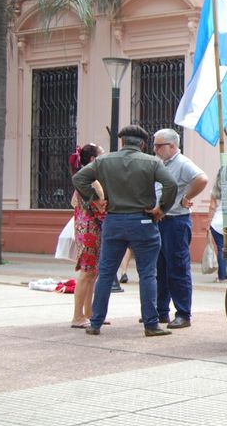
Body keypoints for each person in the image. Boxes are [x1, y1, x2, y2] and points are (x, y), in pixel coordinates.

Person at [72, 125, 178, 337]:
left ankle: (95, 323)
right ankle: (151, 324)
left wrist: (96, 200)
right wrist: (161, 209)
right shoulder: (152, 162)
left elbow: (79, 179)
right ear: (141, 144)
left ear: (122, 142)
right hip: (143, 223)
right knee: (148, 274)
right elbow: (171, 184)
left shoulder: (104, 161)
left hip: (114, 222)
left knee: (105, 274)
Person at [152, 128, 208, 329]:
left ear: (172, 146)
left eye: (159, 145)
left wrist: (186, 198)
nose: (155, 149)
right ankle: (161, 311)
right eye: (155, 145)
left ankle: (183, 313)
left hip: (176, 221)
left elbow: (201, 179)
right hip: (161, 220)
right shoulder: (162, 163)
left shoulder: (182, 163)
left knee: (177, 268)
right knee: (160, 268)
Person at [68, 144, 106, 329]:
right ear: (93, 159)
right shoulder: (89, 180)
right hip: (90, 229)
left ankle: (88, 313)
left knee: (91, 273)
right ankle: (77, 316)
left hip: (89, 228)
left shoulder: (88, 178)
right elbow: (99, 205)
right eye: (101, 154)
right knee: (87, 273)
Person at [208, 173, 227, 282]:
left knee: (221, 249)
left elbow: (212, 207)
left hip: (217, 222)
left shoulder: (215, 189)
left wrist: (208, 224)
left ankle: (222, 277)